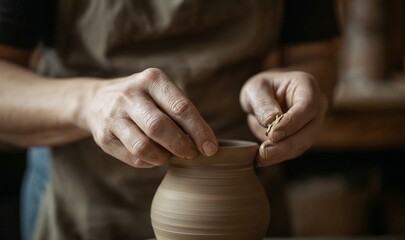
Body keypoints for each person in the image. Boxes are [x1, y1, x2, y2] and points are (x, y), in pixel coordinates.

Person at [0, 0, 338, 239]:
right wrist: (88, 101)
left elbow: (315, 55)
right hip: (86, 203)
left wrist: (294, 95)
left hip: (243, 197)